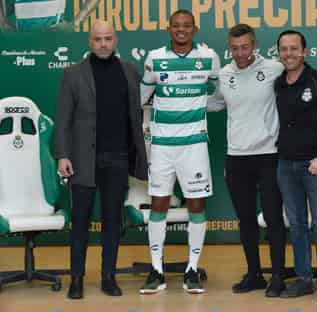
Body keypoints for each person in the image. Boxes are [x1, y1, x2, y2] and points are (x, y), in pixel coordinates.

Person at [208, 24, 317, 298]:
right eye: (235, 48)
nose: (240, 52)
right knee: (247, 221)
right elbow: (216, 103)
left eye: (245, 46)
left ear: (254, 45)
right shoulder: (224, 74)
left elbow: (309, 79)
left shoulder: (275, 68)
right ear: (229, 48)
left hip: (270, 155)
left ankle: (280, 276)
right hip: (237, 158)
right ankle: (254, 274)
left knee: (279, 220)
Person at [54, 20, 148, 299]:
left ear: (115, 40)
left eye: (108, 38)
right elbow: (62, 120)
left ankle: (109, 276)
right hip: (82, 159)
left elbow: (136, 116)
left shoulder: (129, 71)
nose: (103, 43)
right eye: (98, 39)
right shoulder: (73, 74)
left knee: (112, 221)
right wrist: (63, 155)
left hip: (118, 158)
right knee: (80, 221)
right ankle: (77, 279)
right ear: (90, 41)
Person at [139, 9, 220, 294]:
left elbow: (221, 94)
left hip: (195, 145)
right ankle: (156, 270)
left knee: (196, 206)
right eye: (176, 26)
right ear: (169, 29)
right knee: (159, 205)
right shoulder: (154, 58)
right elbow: (142, 98)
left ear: (195, 29)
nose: (181, 30)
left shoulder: (210, 58)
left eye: (186, 26)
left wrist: (202, 106)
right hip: (162, 146)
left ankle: (192, 269)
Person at [274, 30, 317, 303]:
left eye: (293, 48)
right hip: (285, 165)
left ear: (304, 52)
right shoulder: (278, 83)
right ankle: (304, 279)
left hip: (315, 165)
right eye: (283, 49)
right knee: (298, 225)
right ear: (279, 53)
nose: (288, 53)